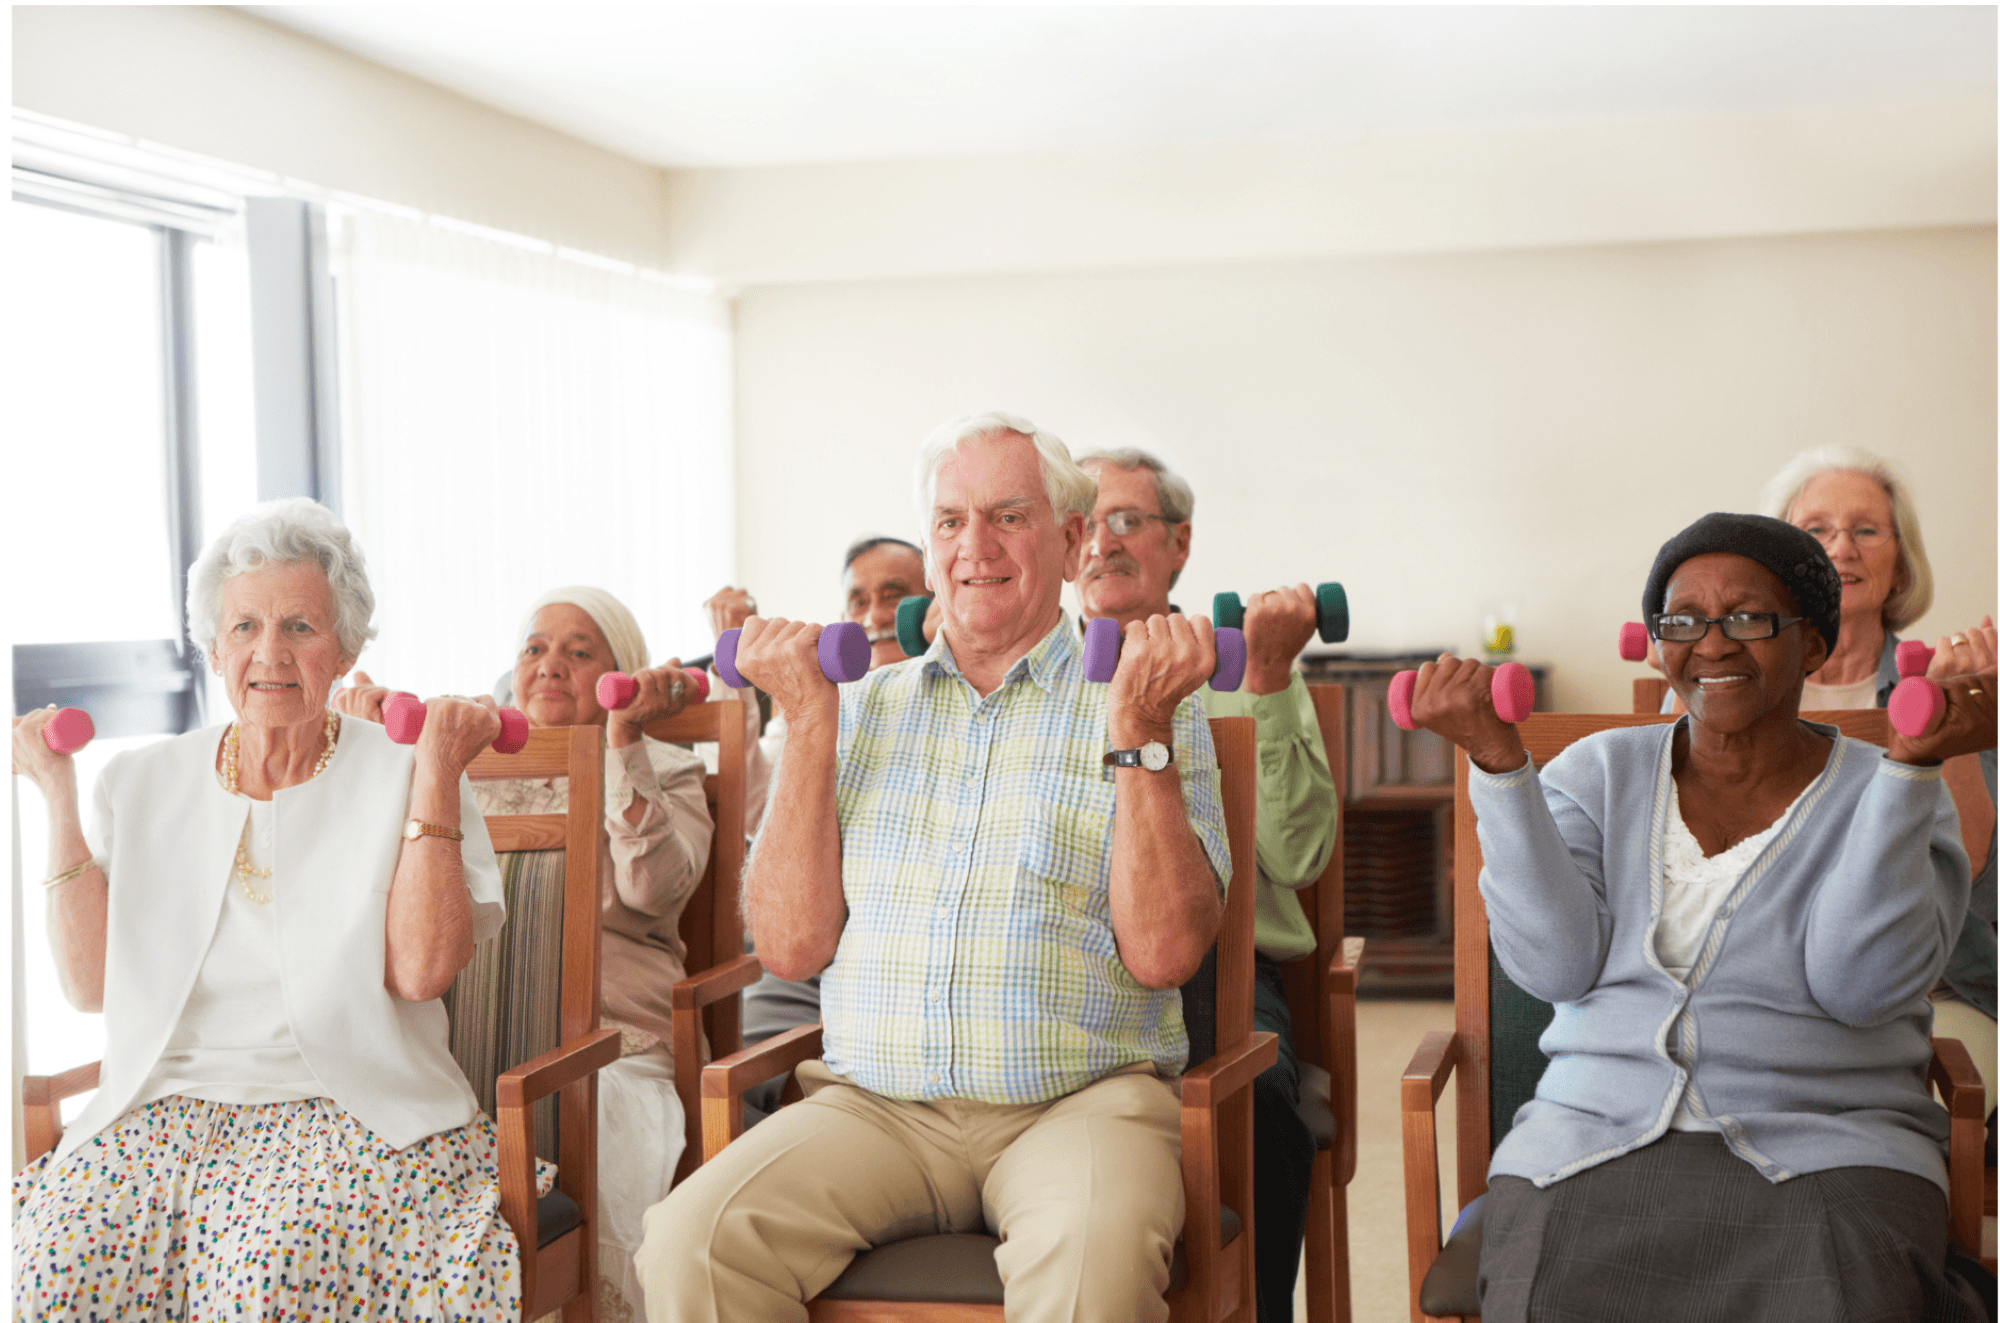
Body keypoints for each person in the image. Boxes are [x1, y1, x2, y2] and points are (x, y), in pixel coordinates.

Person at [635, 411, 1233, 1322]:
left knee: (1090, 1274)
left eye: (1009, 516)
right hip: (876, 1106)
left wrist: (1138, 734)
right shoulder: (857, 710)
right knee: (689, 1247)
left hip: (1077, 1101)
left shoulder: (1145, 701)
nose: (975, 547)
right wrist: (807, 725)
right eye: (951, 521)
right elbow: (792, 948)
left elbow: (1164, 955)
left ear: (1073, 540)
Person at [1403, 512, 1993, 1322]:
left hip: (1830, 1141)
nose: (1711, 644)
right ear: (1657, 642)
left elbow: (1861, 989)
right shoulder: (1596, 773)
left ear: (1813, 645)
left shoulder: (1891, 793)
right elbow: (1553, 968)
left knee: (1845, 1290)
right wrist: (1501, 766)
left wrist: (1914, 768)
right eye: (1681, 621)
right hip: (1591, 1135)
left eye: (1749, 617)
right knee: (1556, 1283)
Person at [11, 498, 526, 1320]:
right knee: (54, 1267)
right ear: (213, 647)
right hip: (164, 1113)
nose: (269, 654)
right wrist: (55, 793)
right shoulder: (138, 782)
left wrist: (431, 771)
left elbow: (422, 970)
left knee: (269, 1278)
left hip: (348, 1113)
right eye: (244, 626)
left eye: (299, 627)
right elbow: (89, 986)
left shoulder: (408, 769)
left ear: (347, 647)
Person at [334, 586, 711, 1322]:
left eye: (579, 650)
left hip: (610, 1043)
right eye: (534, 647)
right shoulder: (464, 762)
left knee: (607, 1135)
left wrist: (622, 739)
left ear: (618, 670)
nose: (550, 664)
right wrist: (368, 751)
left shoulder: (665, 766)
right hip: (454, 1038)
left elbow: (653, 886)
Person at [1072, 445, 1338, 1323]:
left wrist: (1266, 680)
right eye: (1086, 519)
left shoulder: (1239, 670)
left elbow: (1299, 860)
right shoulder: (1023, 675)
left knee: (1257, 1108)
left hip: (1216, 972)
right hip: (1064, 965)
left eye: (1128, 520)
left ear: (1179, 544)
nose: (1102, 542)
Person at [1759, 448, 1996, 1081]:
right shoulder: (1734, 682)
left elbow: (1966, 863)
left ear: (1899, 565)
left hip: (1925, 979)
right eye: (1817, 530)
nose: (1842, 548)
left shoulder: (1948, 685)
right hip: (1761, 971)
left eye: (1867, 530)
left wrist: (1957, 730)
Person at [716, 536, 934, 1057]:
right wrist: (744, 676)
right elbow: (751, 810)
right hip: (807, 957)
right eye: (859, 601)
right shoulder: (813, 708)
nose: (876, 614)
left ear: (932, 604)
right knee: (749, 1064)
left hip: (899, 959)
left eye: (896, 596)